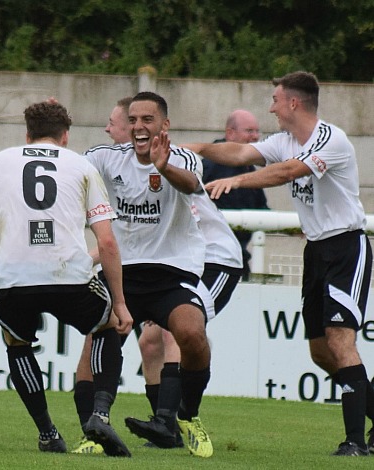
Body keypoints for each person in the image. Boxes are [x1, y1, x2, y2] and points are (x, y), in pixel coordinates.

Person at [187, 71, 373, 457]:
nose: (269, 106)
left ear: (293, 103)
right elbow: (239, 153)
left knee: (341, 341)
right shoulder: (284, 140)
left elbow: (290, 171)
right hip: (317, 251)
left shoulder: (330, 138)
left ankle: (354, 442)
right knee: (321, 352)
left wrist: (237, 183)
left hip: (345, 248)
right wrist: (197, 148)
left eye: (274, 99)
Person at [0, 100, 134, 456]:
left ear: (27, 134)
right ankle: (99, 414)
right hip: (69, 276)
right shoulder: (81, 166)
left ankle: (48, 433)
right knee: (107, 325)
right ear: (65, 136)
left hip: (14, 281)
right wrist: (121, 304)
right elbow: (107, 242)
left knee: (17, 344)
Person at [82, 91, 214, 458]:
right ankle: (98, 421)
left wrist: (163, 167)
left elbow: (191, 184)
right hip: (125, 273)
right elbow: (69, 171)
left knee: (191, 333)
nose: (140, 127)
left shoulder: (181, 157)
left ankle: (188, 415)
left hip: (173, 271)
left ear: (164, 126)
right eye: (134, 120)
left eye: (148, 120)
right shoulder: (106, 158)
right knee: (104, 333)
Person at [126, 189, 243, 449]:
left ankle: (172, 419)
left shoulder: (173, 173)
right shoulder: (131, 183)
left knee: (175, 331)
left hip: (216, 262)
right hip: (180, 263)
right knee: (149, 342)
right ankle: (166, 433)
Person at [71, 96, 132, 455]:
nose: (107, 129)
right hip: (119, 269)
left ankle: (170, 422)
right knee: (95, 342)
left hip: (154, 270)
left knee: (167, 338)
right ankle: (92, 431)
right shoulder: (103, 162)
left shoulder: (167, 165)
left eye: (113, 122)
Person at [202, 109, 269, 281]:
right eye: (249, 131)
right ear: (230, 134)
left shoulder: (247, 166)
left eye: (256, 131)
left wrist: (294, 229)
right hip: (211, 259)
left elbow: (260, 208)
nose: (255, 136)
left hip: (237, 256)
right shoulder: (211, 164)